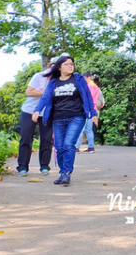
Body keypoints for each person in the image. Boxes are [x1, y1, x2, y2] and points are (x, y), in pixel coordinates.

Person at [31, 55, 97, 186]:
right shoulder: (53, 82)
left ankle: (67, 173)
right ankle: (62, 172)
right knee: (59, 148)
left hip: (76, 117)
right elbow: (45, 97)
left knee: (68, 145)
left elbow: (88, 96)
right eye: (67, 64)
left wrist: (93, 113)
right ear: (60, 67)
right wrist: (37, 110)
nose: (70, 66)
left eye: (72, 64)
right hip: (58, 119)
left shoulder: (78, 79)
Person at [16, 62, 54, 176]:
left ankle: (44, 166)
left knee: (47, 140)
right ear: (49, 66)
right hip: (29, 111)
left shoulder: (59, 81)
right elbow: (29, 91)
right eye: (53, 65)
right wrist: (45, 93)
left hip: (46, 112)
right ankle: (22, 167)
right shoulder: (39, 76)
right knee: (26, 138)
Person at [75, 72, 104, 152]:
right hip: (93, 109)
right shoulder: (96, 87)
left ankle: (76, 147)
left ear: (87, 77)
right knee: (89, 130)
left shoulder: (87, 86)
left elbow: (85, 98)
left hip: (85, 108)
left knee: (80, 128)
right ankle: (91, 147)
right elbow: (100, 102)